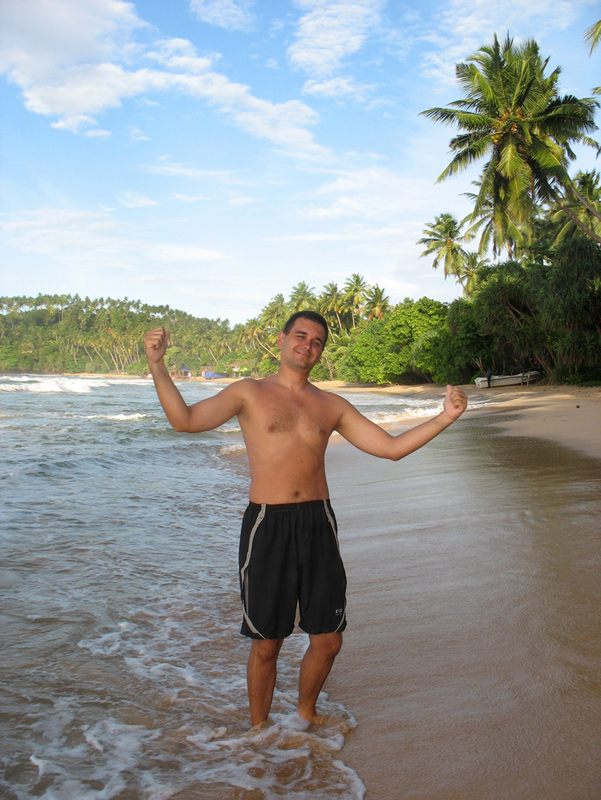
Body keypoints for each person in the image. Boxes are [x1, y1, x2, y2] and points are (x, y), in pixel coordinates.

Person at [144, 311, 467, 730]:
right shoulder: (249, 392)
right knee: (267, 644)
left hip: (318, 523)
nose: (307, 345)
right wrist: (157, 364)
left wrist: (444, 418)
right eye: (300, 336)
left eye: (317, 341)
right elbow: (184, 421)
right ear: (281, 340)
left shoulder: (330, 405)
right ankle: (260, 731)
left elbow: (390, 448)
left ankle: (305, 714)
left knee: (328, 640)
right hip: (267, 525)